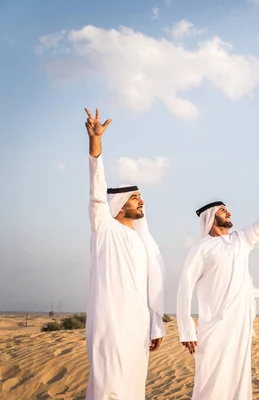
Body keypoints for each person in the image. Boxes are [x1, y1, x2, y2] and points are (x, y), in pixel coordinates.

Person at [176, 175, 259, 399]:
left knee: (238, 380)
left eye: (227, 209)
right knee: (211, 381)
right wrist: (186, 329)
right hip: (214, 327)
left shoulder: (241, 240)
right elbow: (184, 288)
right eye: (222, 210)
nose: (228, 212)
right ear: (210, 218)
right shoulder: (201, 250)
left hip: (240, 325)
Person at [84, 108, 166, 399]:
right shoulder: (104, 226)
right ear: (119, 203)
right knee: (109, 388)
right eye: (135, 197)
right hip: (110, 323)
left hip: (137, 328)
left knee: (132, 388)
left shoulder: (140, 242)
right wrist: (96, 145)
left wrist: (154, 325)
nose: (141, 200)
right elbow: (96, 190)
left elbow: (149, 286)